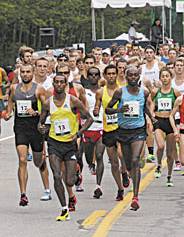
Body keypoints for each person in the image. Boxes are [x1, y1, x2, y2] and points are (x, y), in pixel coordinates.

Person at [38, 74, 93, 221]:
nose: (59, 85)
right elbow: (40, 122)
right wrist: (41, 129)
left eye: (62, 82)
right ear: (53, 84)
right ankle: (64, 209)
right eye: (57, 82)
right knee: (56, 175)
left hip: (70, 144)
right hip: (54, 143)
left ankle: (76, 174)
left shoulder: (73, 101)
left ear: (66, 84)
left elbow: (89, 118)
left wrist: (79, 134)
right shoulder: (47, 103)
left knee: (69, 181)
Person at [105, 66, 156, 211]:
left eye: (135, 75)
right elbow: (108, 109)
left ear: (139, 77)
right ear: (126, 77)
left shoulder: (144, 92)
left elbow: (144, 107)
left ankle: (135, 196)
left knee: (135, 160)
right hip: (123, 131)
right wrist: (119, 110)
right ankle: (130, 173)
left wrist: (151, 118)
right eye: (130, 75)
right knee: (128, 165)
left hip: (138, 130)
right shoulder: (120, 92)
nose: (133, 77)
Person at [4, 64, 51, 205]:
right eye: (23, 72)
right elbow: (11, 102)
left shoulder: (39, 89)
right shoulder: (14, 88)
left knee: (38, 161)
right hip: (21, 128)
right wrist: (8, 113)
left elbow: (46, 109)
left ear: (33, 73)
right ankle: (23, 194)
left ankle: (47, 188)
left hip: (35, 129)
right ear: (20, 74)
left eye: (28, 72)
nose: (25, 74)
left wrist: (37, 113)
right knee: (23, 160)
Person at [94, 64, 126, 201]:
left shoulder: (122, 90)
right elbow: (97, 105)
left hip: (121, 128)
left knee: (121, 154)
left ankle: (124, 171)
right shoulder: (101, 92)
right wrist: (96, 110)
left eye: (114, 73)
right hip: (108, 129)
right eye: (109, 74)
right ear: (105, 76)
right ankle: (120, 188)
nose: (112, 76)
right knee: (113, 162)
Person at [151, 67, 180, 186]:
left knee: (170, 152)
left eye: (167, 76)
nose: (165, 78)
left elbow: (179, 107)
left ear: (171, 77)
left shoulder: (175, 92)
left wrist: (178, 125)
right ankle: (158, 165)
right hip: (159, 121)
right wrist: (152, 115)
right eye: (162, 76)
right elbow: (152, 105)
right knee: (161, 146)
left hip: (170, 122)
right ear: (160, 78)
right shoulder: (155, 92)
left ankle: (169, 175)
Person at [82, 67, 106, 198]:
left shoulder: (104, 91)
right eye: (91, 74)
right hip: (87, 128)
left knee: (99, 154)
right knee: (88, 157)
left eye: (96, 74)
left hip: (101, 127)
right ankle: (90, 165)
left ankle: (98, 186)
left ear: (99, 76)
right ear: (87, 76)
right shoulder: (83, 91)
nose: (93, 77)